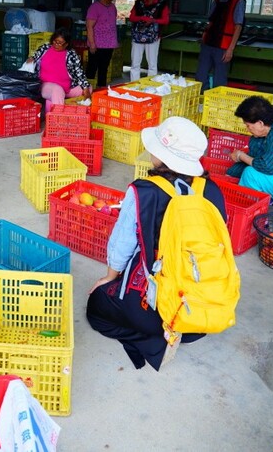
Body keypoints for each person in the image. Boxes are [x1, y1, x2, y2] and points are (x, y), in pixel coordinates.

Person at [86, 116, 227, 371]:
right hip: (201, 307)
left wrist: (109, 278)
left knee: (97, 306)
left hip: (157, 304)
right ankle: (184, 331)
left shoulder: (144, 190)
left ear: (160, 155)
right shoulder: (211, 189)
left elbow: (122, 244)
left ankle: (158, 337)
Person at [196, 0, 245, 90]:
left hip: (223, 46)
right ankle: (202, 100)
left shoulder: (239, 1)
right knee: (201, 76)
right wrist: (204, 35)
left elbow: (238, 26)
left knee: (219, 79)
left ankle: (215, 104)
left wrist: (230, 49)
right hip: (208, 42)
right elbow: (211, 20)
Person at [27, 29, 92, 113]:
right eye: (55, 41)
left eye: (60, 43)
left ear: (66, 44)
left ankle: (58, 105)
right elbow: (34, 57)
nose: (56, 44)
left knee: (88, 87)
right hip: (45, 85)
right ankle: (57, 118)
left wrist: (85, 88)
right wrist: (31, 59)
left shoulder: (71, 54)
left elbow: (78, 71)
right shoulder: (45, 48)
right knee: (57, 90)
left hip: (67, 88)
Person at [128, 0, 170, 80]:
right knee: (135, 64)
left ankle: (150, 87)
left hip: (153, 38)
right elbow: (132, 17)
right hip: (138, 37)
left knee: (152, 65)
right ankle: (134, 86)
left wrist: (152, 20)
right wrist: (142, 18)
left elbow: (165, 20)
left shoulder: (162, 4)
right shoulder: (138, 3)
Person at [85, 0, 119, 88]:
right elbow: (89, 26)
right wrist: (92, 44)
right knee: (92, 68)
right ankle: (86, 91)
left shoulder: (113, 7)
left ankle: (100, 92)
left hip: (109, 45)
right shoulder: (95, 7)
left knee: (104, 69)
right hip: (97, 45)